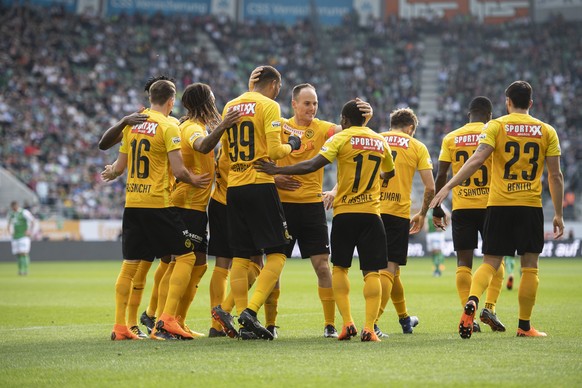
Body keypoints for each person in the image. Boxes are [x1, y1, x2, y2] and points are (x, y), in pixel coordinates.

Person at [430, 81, 564, 338]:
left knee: (490, 261)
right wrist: (557, 214)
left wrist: (448, 186)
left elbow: (477, 159)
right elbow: (555, 176)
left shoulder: (496, 126)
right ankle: (524, 326)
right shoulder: (547, 130)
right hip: (530, 205)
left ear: (508, 102)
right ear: (531, 103)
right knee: (530, 267)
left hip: (498, 204)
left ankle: (472, 301)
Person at [256, 99, 395, 342]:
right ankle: (369, 328)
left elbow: (312, 164)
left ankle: (346, 324)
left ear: (343, 120)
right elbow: (390, 173)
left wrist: (277, 171)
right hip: (372, 214)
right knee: (372, 272)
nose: (312, 107)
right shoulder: (380, 140)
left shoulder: (339, 138)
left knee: (338, 268)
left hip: (344, 213)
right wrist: (375, 179)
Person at [102, 79, 209, 341]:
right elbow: (179, 170)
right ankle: (168, 319)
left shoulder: (133, 125)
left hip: (133, 204)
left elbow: (118, 167)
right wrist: (194, 180)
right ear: (172, 101)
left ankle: (120, 326)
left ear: (151, 98)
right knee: (186, 257)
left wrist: (111, 173)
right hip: (158, 203)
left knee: (129, 266)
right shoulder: (169, 125)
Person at [210, 65, 300, 341]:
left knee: (240, 255)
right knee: (279, 250)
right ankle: (249, 310)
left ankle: (238, 315)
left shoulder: (231, 105)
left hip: (233, 189)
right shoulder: (269, 105)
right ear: (274, 85)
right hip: (260, 184)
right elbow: (274, 151)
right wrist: (293, 144)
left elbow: (223, 150)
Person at [434, 96, 506, 333]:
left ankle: (469, 316)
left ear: (469, 115)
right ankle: (490, 307)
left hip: (462, 207)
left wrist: (436, 206)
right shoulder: (494, 131)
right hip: (491, 206)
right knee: (495, 259)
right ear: (489, 116)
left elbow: (441, 173)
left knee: (463, 263)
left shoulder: (451, 137)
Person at [373, 107, 431, 338]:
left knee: (391, 271)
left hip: (372, 209)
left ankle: (405, 319)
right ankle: (372, 322)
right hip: (397, 213)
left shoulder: (375, 139)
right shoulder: (416, 146)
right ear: (410, 128)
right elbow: (430, 186)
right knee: (389, 268)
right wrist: (423, 213)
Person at [7, 201, 37, 276]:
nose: (13, 209)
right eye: (12, 208)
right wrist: (10, 231)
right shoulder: (11, 214)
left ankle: (26, 270)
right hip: (15, 236)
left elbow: (33, 221)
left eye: (14, 207)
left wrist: (30, 231)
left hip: (23, 236)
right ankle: (20, 270)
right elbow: (9, 223)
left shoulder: (24, 212)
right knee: (18, 254)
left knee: (24, 253)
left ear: (17, 206)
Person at [426, 208, 446, 277]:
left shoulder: (440, 205)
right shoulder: (428, 208)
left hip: (437, 234)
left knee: (438, 251)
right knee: (433, 252)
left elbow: (448, 215)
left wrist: (444, 225)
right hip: (430, 234)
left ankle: (438, 270)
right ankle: (436, 268)